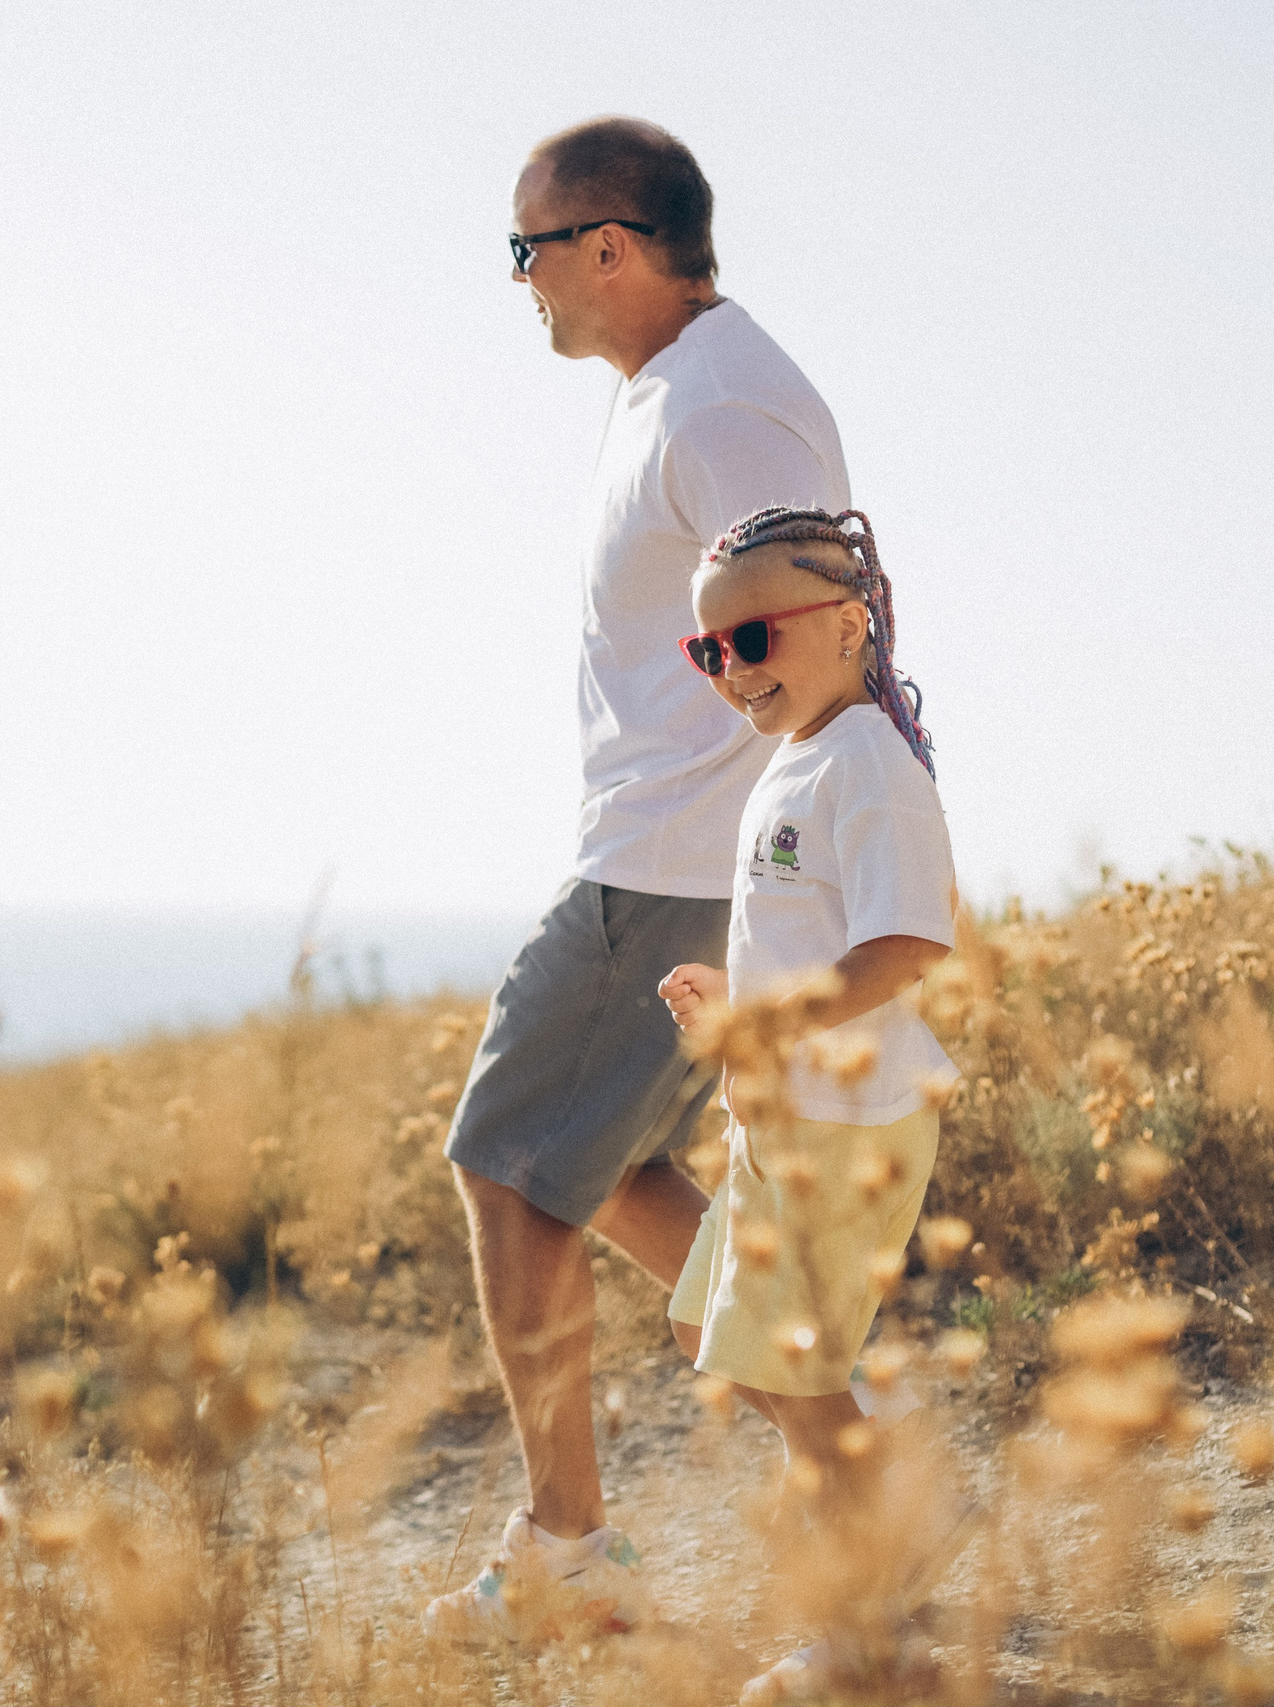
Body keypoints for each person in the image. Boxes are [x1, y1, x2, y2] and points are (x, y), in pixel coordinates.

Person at [423, 117, 849, 1647]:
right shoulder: (669, 395)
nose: (520, 277)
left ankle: (569, 1545)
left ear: (611, 243)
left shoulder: (727, 406)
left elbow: (828, 616)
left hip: (671, 863)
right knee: (601, 1171)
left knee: (505, 1161)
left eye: (528, 245)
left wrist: (803, 841)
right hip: (681, 853)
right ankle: (858, 1461)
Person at [657, 506, 958, 1704]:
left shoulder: (869, 763)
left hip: (845, 1123)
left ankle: (862, 1632)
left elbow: (902, 949)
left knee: (793, 1376)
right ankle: (867, 1454)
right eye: (709, 652)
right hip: (779, 1124)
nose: (733, 671)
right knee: (705, 1333)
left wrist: (764, 1024)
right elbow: (821, 946)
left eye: (755, 638)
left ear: (848, 624)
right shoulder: (800, 762)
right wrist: (746, 1000)